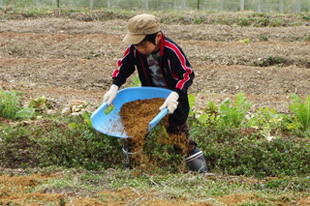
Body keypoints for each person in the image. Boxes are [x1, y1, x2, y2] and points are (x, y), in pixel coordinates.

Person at [103, 13, 207, 173]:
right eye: (136, 45)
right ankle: (131, 171)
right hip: (149, 98)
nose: (140, 49)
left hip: (173, 101)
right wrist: (115, 86)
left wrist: (175, 94)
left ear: (158, 37)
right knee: (133, 134)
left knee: (180, 139)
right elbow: (124, 66)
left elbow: (187, 74)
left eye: (143, 46)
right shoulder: (135, 50)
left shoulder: (172, 51)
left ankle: (202, 175)